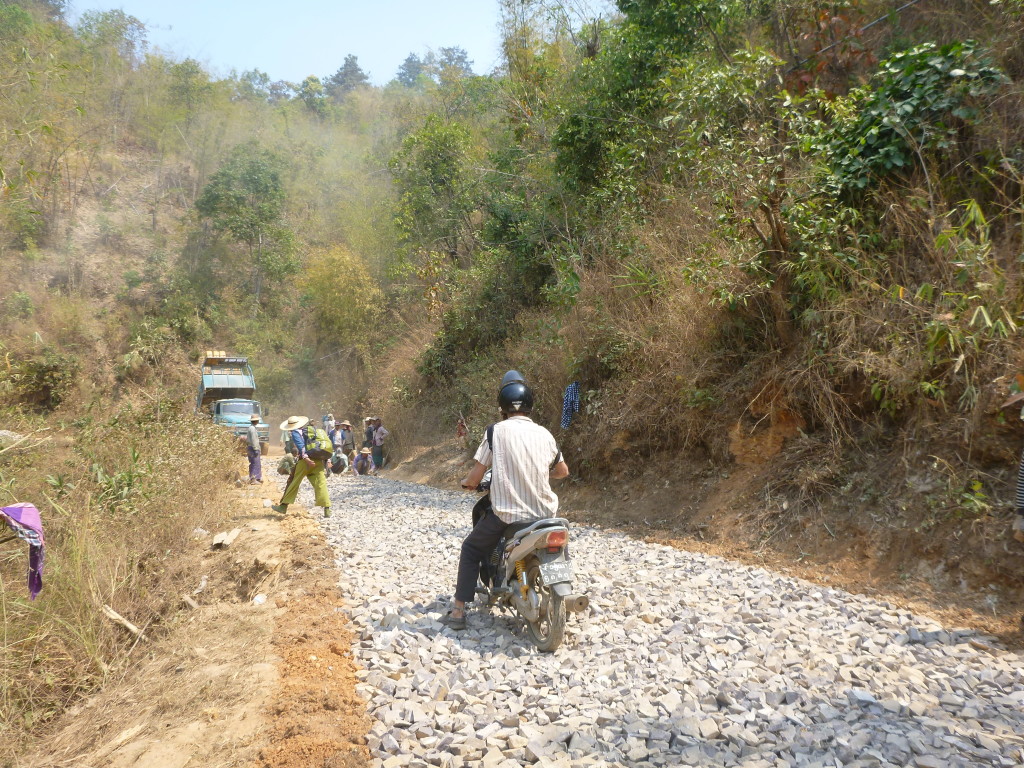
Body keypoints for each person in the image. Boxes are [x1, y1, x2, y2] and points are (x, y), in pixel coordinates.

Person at [443, 371, 569, 630]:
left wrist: (468, 484)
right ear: (531, 404)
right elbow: (562, 471)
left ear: (502, 406)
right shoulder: (545, 434)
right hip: (546, 514)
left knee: (471, 549)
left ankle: (457, 611)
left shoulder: (495, 432)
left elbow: (477, 474)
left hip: (508, 515)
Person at [272, 415, 332, 518]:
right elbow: (323, 446)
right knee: (321, 484)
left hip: (305, 462)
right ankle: (327, 510)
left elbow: (301, 447)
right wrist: (328, 460)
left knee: (293, 481)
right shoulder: (312, 431)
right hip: (318, 461)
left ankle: (283, 506)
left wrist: (307, 459)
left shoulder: (295, 432)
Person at [245, 414, 262, 484]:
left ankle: (256, 478)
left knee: (254, 463)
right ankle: (253, 479)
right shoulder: (252, 429)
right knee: (255, 463)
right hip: (253, 448)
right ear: (256, 421)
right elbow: (254, 439)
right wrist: (255, 449)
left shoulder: (252, 428)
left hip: (251, 447)